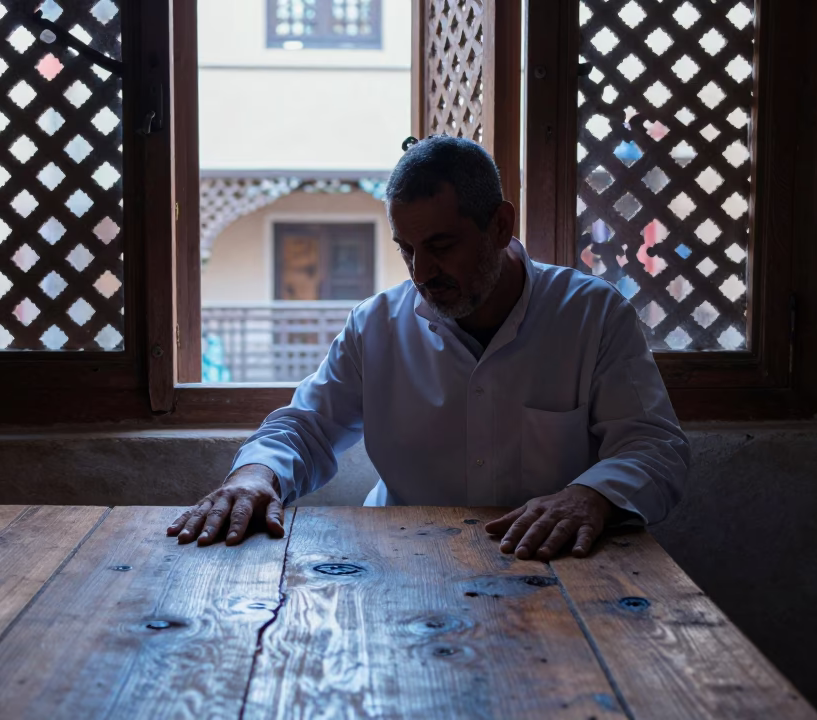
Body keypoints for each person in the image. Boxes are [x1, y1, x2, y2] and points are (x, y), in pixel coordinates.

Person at [168, 135, 689, 561]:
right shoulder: (375, 326)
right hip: (400, 566)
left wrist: (592, 495)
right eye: (406, 249)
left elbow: (656, 447)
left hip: (547, 569)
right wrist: (256, 474)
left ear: (501, 226)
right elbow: (306, 426)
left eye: (441, 247)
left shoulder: (590, 316)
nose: (421, 272)